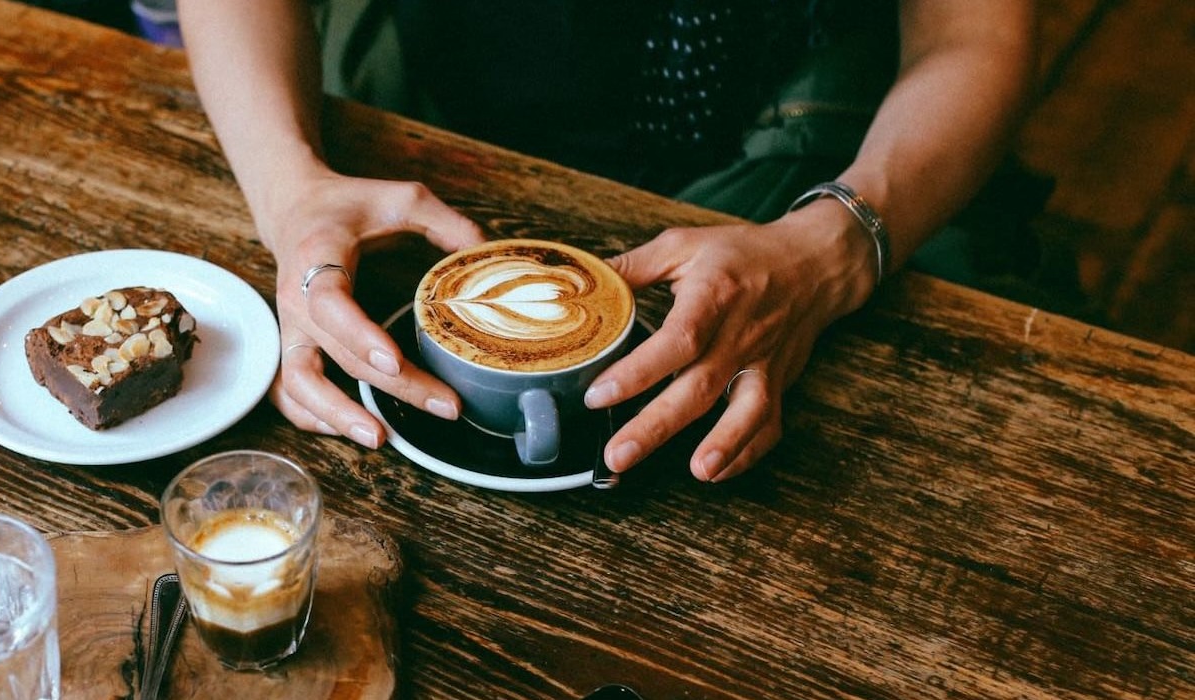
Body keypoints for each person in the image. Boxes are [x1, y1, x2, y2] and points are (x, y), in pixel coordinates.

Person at [177, 0, 1038, 481]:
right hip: (435, 116)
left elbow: (975, 34)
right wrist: (290, 190)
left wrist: (831, 251)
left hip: (821, 147)